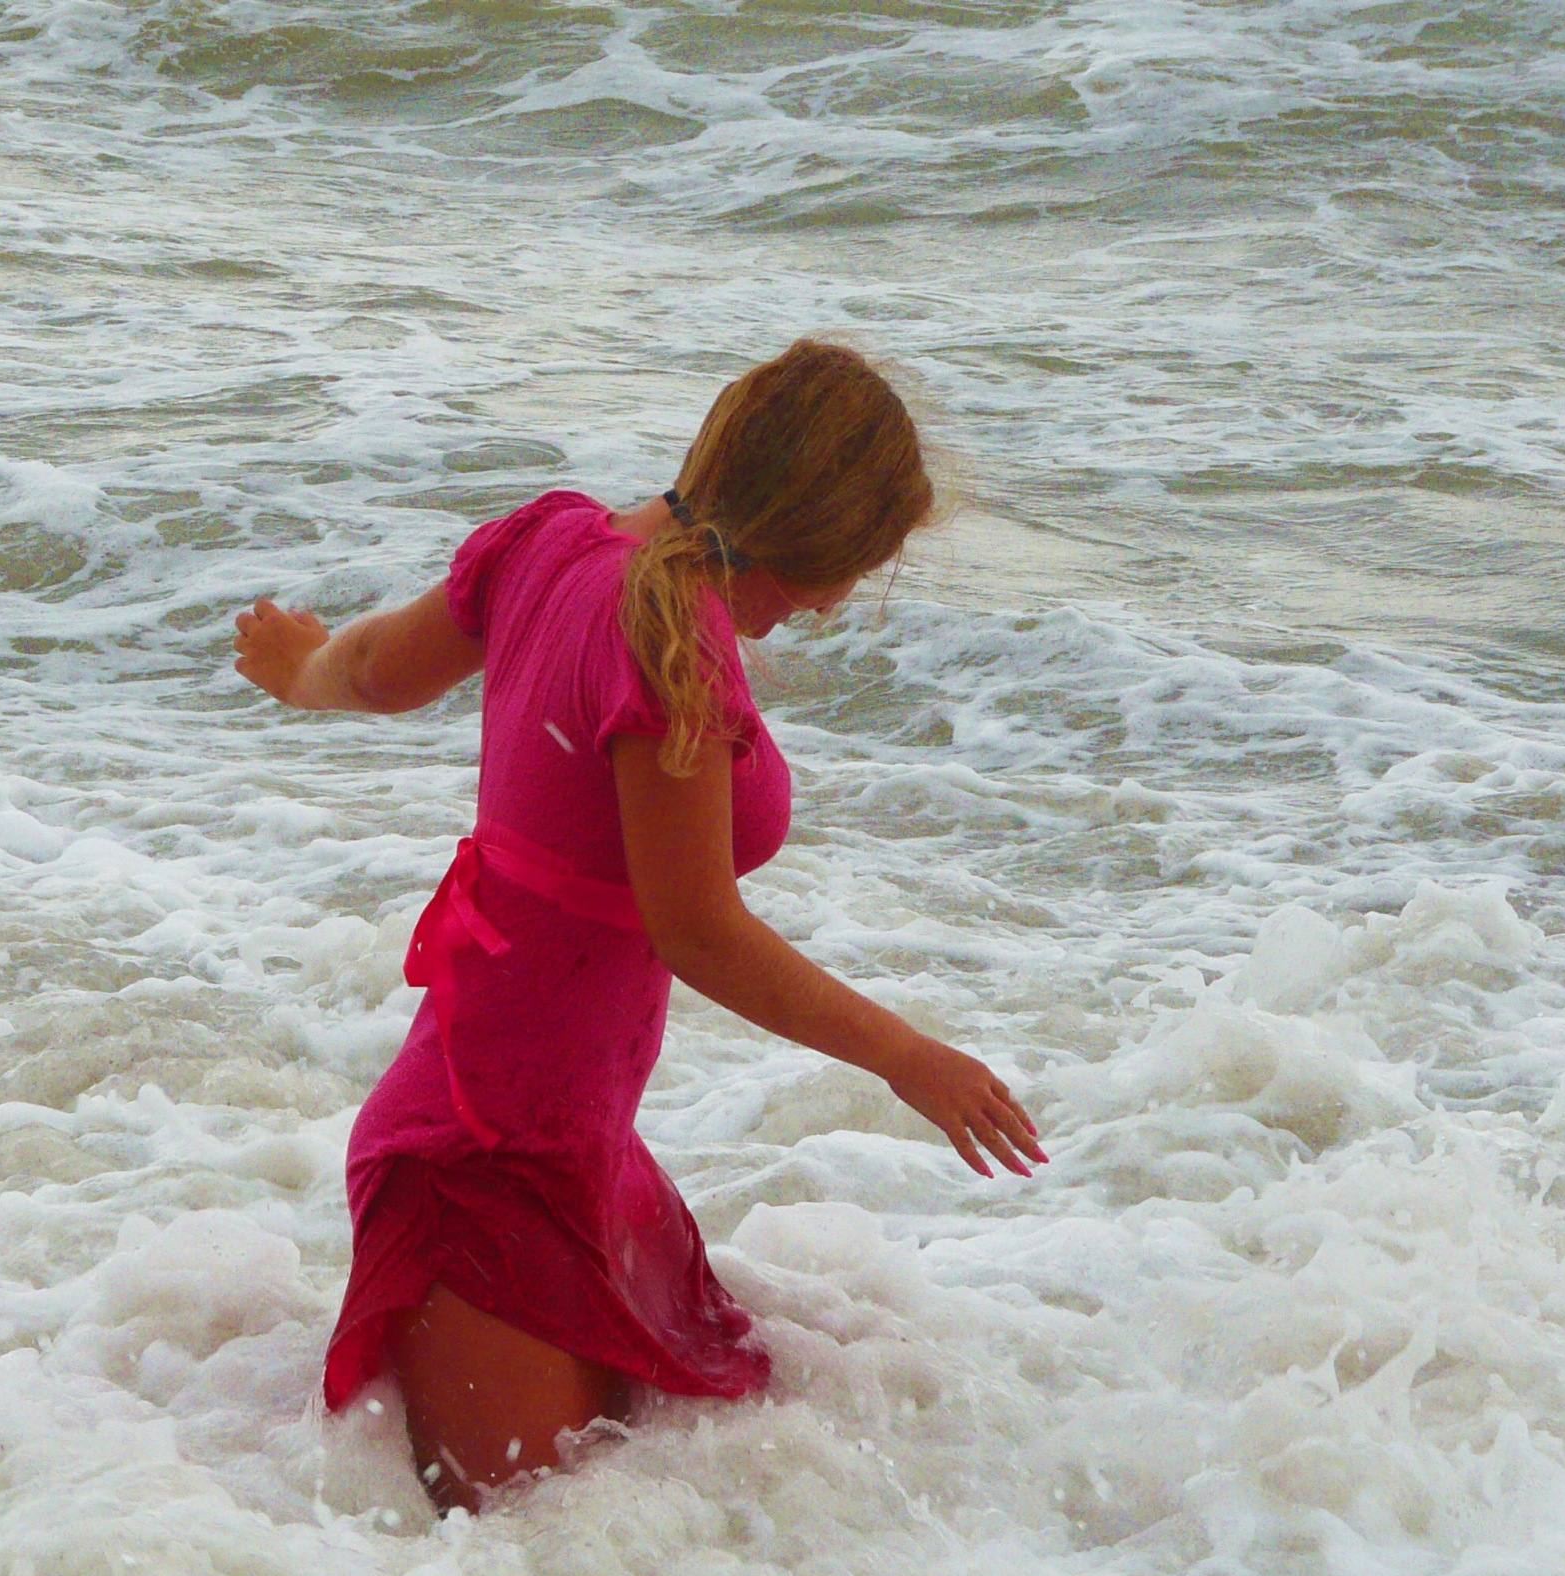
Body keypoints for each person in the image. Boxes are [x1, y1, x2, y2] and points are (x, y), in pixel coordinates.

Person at [231, 339, 1045, 1512]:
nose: (830, 606)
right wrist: (907, 1058)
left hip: (572, 1149)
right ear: (810, 547)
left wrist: (301, 664)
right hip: (478, 1168)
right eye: (846, 576)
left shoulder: (548, 542)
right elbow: (696, 930)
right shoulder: (672, 650)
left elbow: (369, 670)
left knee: (632, 1528)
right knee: (518, 1555)